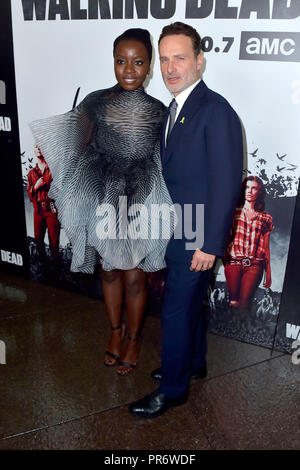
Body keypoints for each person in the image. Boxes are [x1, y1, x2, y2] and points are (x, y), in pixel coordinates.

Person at [30, 29, 173, 376]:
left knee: (135, 276)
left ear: (150, 66)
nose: (128, 69)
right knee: (109, 270)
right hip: (103, 195)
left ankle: (135, 338)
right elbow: (72, 148)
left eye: (138, 62)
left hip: (141, 197)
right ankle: (114, 331)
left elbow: (165, 158)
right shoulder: (94, 101)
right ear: (113, 61)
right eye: (121, 61)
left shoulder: (159, 110)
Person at [129, 22, 243, 418]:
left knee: (177, 309)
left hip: (198, 231)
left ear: (199, 60)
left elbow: (227, 184)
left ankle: (174, 390)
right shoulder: (175, 108)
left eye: (180, 57)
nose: (170, 67)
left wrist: (210, 244)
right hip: (178, 226)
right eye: (164, 59)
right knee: (190, 304)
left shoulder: (215, 111)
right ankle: (193, 364)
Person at [224, 176, 273, 310]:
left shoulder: (265, 218)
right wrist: (226, 260)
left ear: (259, 191)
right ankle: (231, 329)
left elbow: (265, 246)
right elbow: (225, 238)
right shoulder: (233, 212)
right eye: (247, 187)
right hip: (233, 262)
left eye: (254, 188)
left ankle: (244, 329)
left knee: (245, 305)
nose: (250, 191)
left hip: (255, 265)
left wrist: (268, 272)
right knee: (233, 303)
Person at [27, 143, 60, 273]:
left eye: (41, 146)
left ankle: (55, 269)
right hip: (38, 210)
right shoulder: (31, 173)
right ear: (34, 151)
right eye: (36, 147)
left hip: (51, 208)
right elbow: (30, 193)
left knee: (54, 242)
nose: (39, 148)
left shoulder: (53, 169)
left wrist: (40, 184)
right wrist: (36, 186)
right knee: (38, 239)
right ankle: (44, 266)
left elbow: (51, 183)